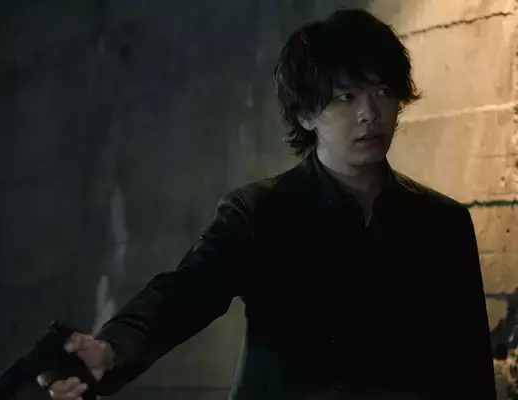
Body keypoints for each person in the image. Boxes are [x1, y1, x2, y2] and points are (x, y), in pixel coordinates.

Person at [37, 8, 496, 400]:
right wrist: (112, 349)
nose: (369, 114)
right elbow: (184, 293)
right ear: (306, 114)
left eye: (382, 92)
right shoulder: (261, 212)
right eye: (345, 96)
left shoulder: (443, 223)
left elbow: (469, 368)